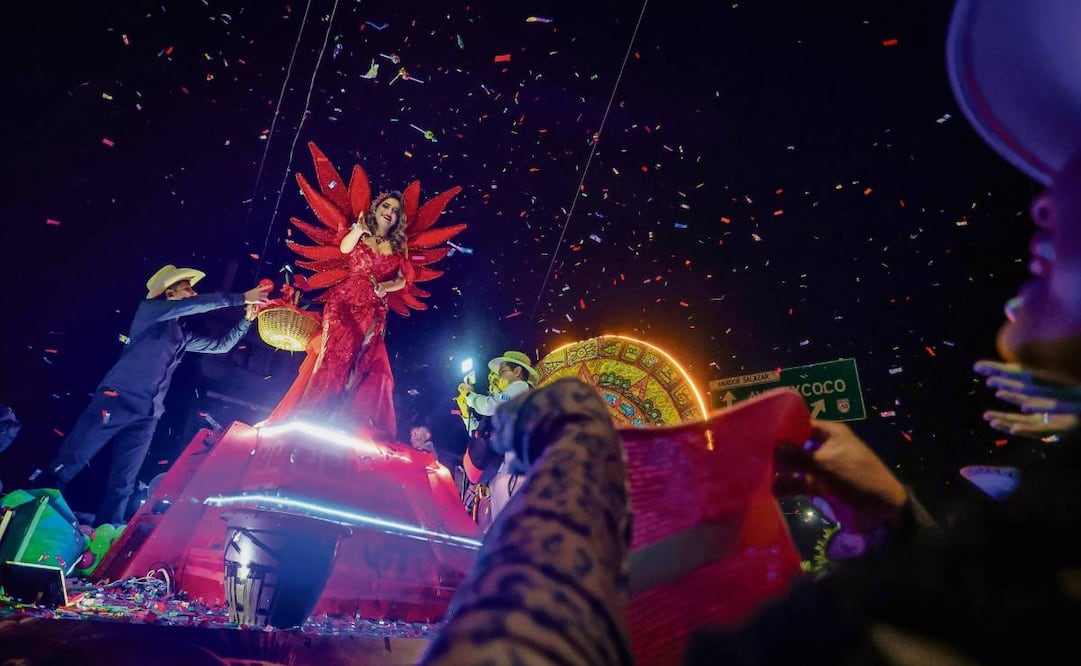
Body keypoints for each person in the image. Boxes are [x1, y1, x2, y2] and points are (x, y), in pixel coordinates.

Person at [425, 2, 1081, 663]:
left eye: (1074, 165)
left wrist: (578, 464)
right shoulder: (1042, 537)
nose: (1044, 201)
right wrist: (891, 521)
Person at [29, 265, 269, 526]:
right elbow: (198, 305)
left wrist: (247, 319)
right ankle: (31, 513)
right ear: (169, 294)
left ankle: (108, 531)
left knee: (124, 482)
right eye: (187, 288)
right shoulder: (149, 311)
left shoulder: (181, 334)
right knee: (72, 460)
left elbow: (221, 346)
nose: (193, 293)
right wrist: (242, 297)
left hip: (147, 415)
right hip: (117, 399)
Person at [457, 350, 539, 521]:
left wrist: (470, 395)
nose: (498, 378)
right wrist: (466, 413)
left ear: (517, 371)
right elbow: (481, 435)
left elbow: (490, 406)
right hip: (502, 472)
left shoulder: (519, 389)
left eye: (502, 372)